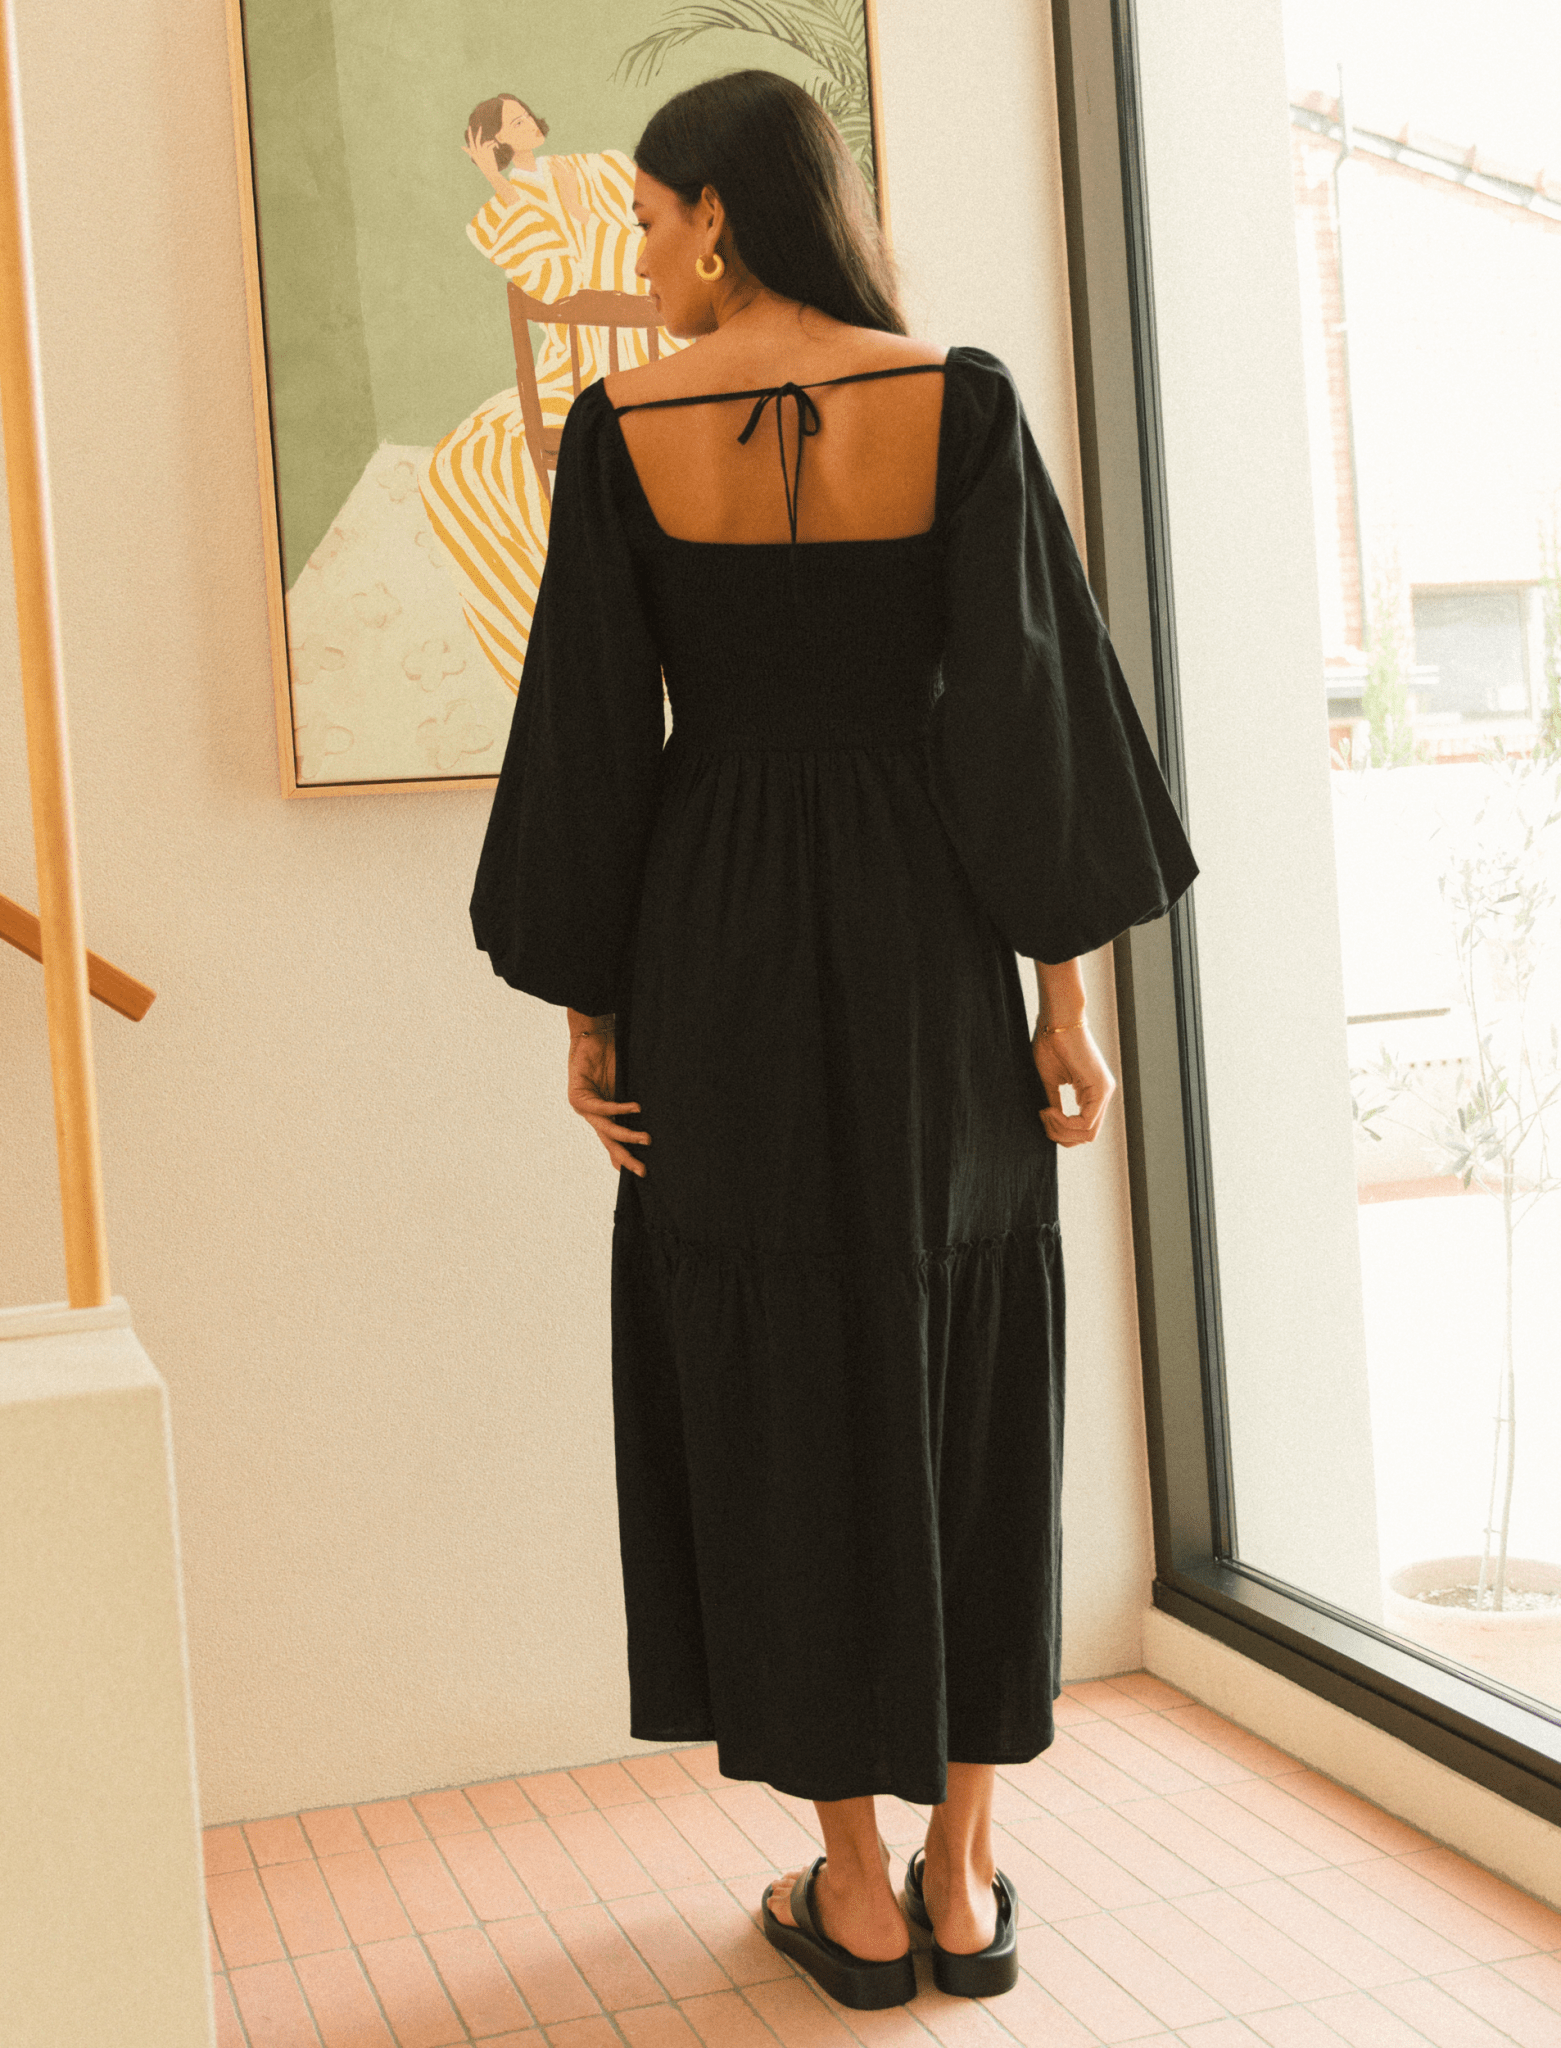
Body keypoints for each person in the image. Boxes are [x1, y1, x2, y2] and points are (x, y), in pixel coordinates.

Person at [469, 69, 1198, 2012]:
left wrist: (592, 1010)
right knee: (966, 1356)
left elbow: (591, 737)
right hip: (924, 936)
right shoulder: (956, 401)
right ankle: (964, 1871)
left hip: (709, 940)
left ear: (717, 214)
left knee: (767, 1376)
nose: (640, 255)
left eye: (648, 221)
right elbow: (1028, 719)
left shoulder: (624, 427)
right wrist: (1061, 1000)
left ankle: (853, 1885)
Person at [421, 95, 688, 691]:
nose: (526, 124)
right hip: (577, 359)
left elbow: (650, 256)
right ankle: (555, 636)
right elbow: (556, 282)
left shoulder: (602, 167)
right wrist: (501, 185)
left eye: (525, 115)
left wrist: (585, 221)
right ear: (495, 143)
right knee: (467, 459)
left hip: (659, 348)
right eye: (511, 124)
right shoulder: (504, 210)